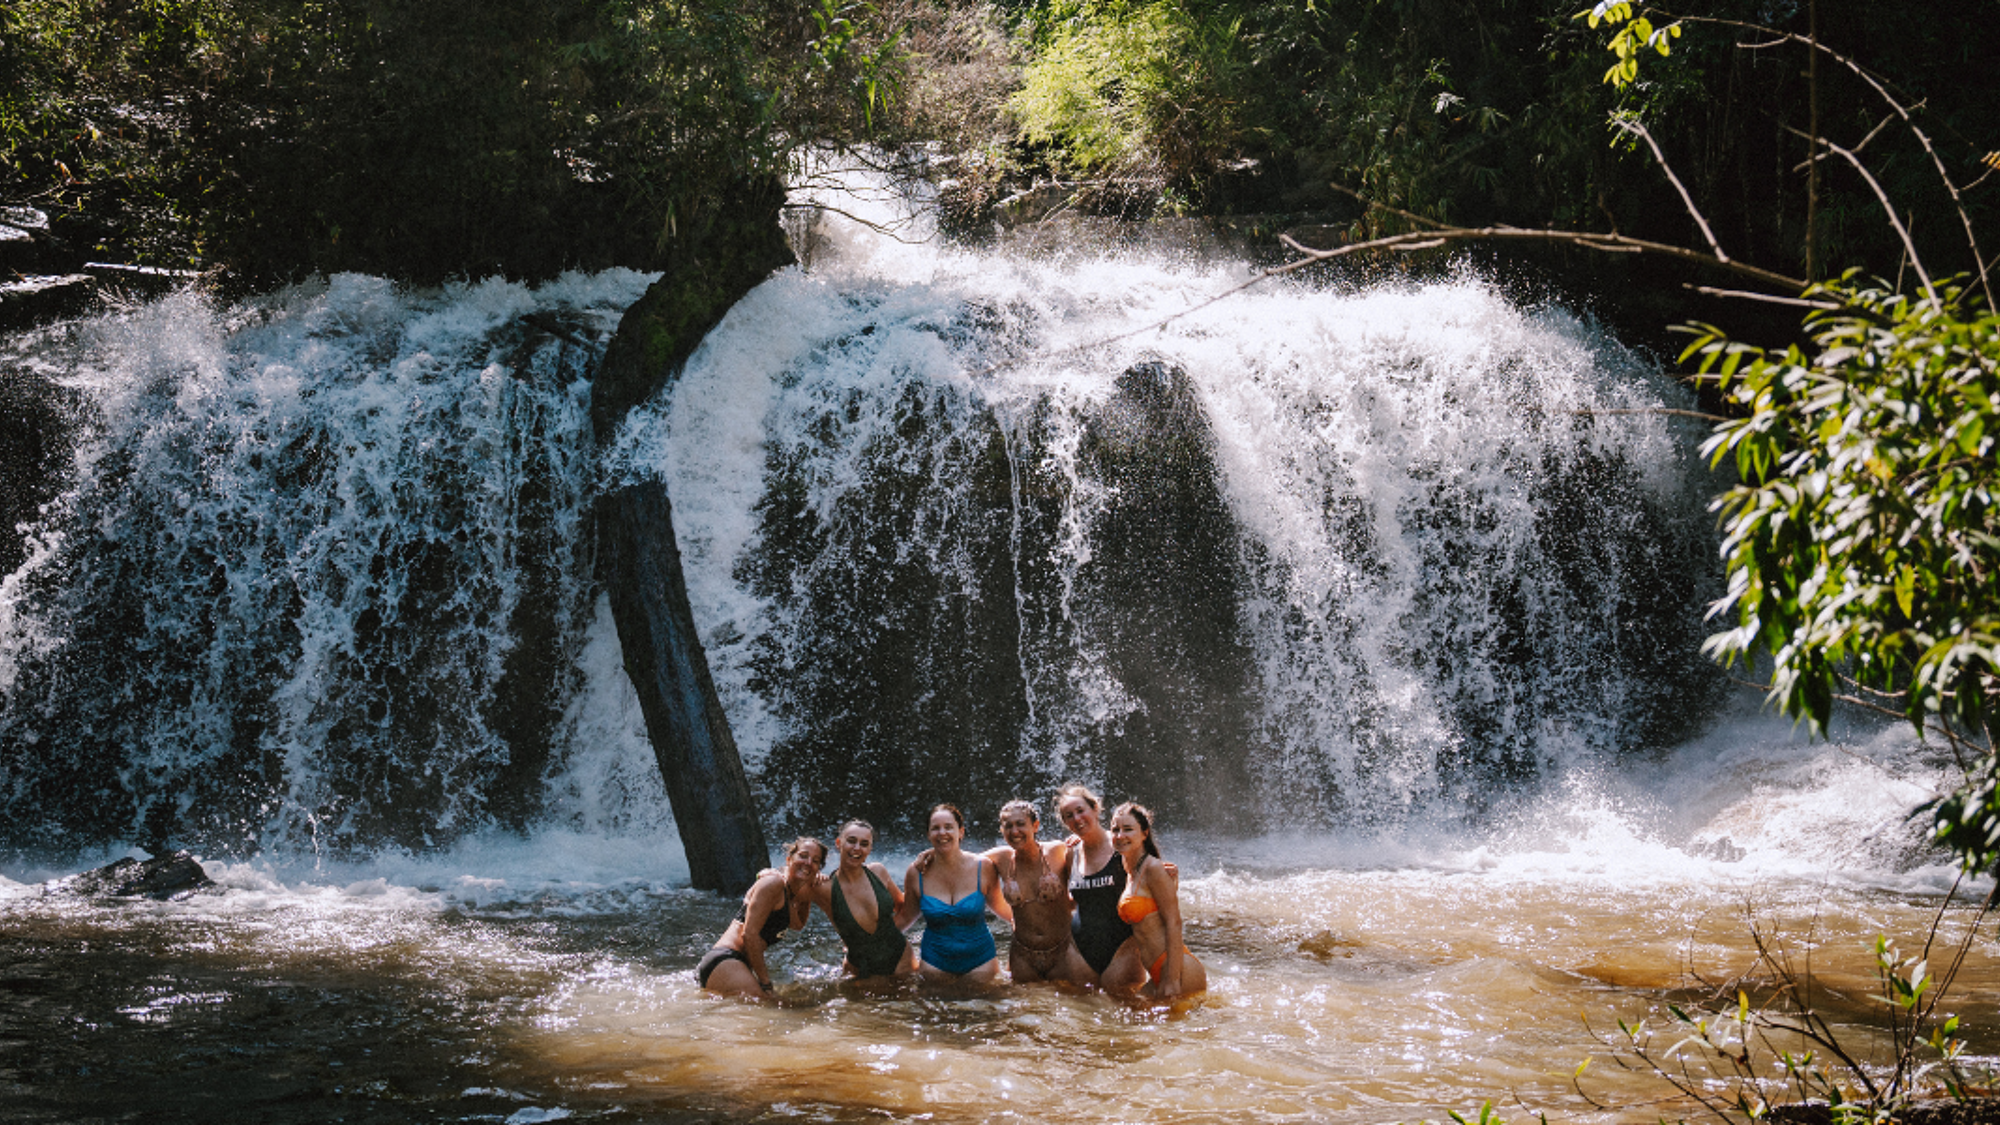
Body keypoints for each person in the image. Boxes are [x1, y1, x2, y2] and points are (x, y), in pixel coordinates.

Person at [697, 836, 825, 998]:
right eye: (803, 856)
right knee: (775, 1009)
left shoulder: (788, 893)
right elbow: (749, 934)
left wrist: (810, 888)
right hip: (725, 960)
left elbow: (797, 925)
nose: (808, 862)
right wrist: (765, 983)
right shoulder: (774, 883)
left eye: (815, 861)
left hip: (738, 966)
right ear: (789, 859)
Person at [1102, 802, 1205, 1001]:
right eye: (1115, 830)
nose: (1120, 835)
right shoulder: (1128, 866)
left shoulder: (1153, 868)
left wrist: (1172, 980)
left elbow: (1174, 923)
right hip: (1158, 971)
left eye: (1128, 829)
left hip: (1178, 970)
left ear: (1144, 833)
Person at [900, 803, 1009, 983]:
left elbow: (1003, 910)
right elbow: (906, 917)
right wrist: (868, 941)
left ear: (961, 832)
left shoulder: (984, 867)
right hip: (934, 963)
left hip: (981, 962)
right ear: (928, 835)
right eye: (935, 828)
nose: (942, 833)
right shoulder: (916, 872)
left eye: (948, 827)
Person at [990, 799, 1093, 984]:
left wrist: (1085, 839)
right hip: (1022, 955)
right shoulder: (1000, 858)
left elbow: (1094, 870)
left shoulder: (1058, 850)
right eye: (1008, 826)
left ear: (1035, 826)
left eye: (1021, 824)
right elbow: (960, 860)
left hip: (1063, 950)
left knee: (1073, 1004)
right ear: (1001, 830)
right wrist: (930, 854)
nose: (1015, 831)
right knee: (1025, 1009)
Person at [810, 818, 916, 980]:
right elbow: (791, 881)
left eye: (864, 844)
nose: (857, 848)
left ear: (870, 849)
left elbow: (902, 906)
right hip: (861, 969)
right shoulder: (823, 887)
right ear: (839, 843)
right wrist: (768, 873)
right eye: (851, 841)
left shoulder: (878, 872)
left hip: (902, 960)